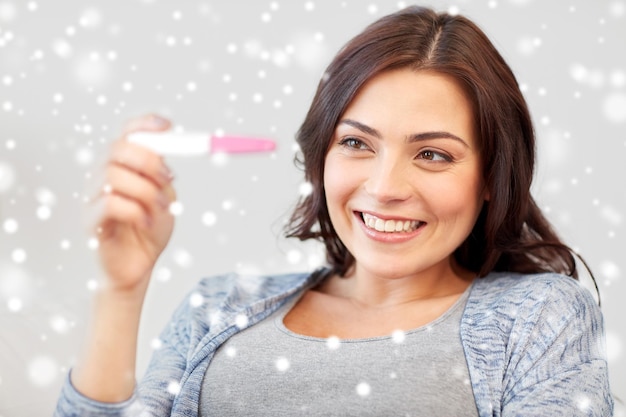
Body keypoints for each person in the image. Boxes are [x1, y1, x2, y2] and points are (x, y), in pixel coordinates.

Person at [54, 5, 613, 416]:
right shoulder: (217, 306)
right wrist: (122, 290)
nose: (385, 186)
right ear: (319, 154)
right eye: (356, 143)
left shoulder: (540, 318)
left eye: (433, 154)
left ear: (491, 176)